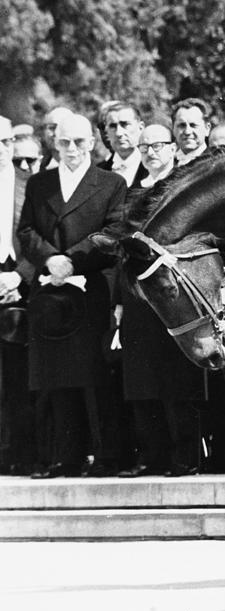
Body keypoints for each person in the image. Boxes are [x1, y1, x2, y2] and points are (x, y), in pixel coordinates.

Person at [18, 111, 127, 477]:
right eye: (64, 142)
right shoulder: (39, 184)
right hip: (50, 292)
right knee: (57, 377)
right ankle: (67, 456)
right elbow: (27, 231)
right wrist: (50, 260)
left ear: (93, 142)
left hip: (91, 287)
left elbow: (113, 232)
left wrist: (73, 261)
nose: (72, 149)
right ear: (54, 143)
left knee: (95, 377)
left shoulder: (110, 184)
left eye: (79, 142)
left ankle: (107, 455)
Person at [117, 124, 206, 477]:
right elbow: (118, 247)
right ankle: (152, 455)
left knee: (178, 377)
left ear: (172, 149)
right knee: (143, 379)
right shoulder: (130, 192)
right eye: (145, 146)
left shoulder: (183, 188)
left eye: (158, 145)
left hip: (174, 291)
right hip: (138, 293)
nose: (151, 152)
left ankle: (185, 456)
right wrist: (118, 301)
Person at [0, 116, 36, 474]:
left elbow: (38, 234)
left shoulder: (32, 186)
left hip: (20, 287)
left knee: (17, 379)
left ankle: (20, 456)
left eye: (5, 141)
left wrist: (17, 277)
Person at [100, 102, 147, 188]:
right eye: (113, 126)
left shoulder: (154, 167)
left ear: (141, 127)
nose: (119, 133)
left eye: (125, 124)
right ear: (106, 131)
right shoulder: (98, 171)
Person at [172, 98, 211, 165]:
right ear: (173, 129)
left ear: (207, 128)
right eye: (182, 125)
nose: (187, 132)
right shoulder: (166, 164)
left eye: (193, 125)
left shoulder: (215, 162)